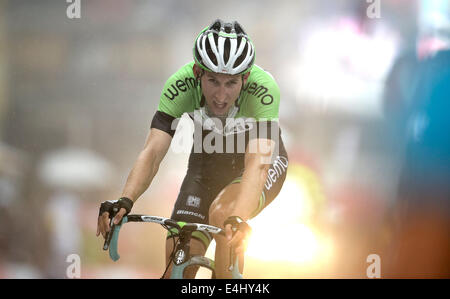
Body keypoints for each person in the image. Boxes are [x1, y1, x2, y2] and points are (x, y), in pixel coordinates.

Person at [96, 19, 289, 279]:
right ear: (198, 72)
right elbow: (153, 152)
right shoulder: (181, 84)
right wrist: (126, 199)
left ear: (245, 78)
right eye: (213, 81)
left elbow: (258, 164)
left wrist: (238, 219)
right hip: (205, 168)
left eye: (231, 83)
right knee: (179, 255)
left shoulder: (264, 89)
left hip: (257, 166)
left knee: (224, 215)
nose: (221, 96)